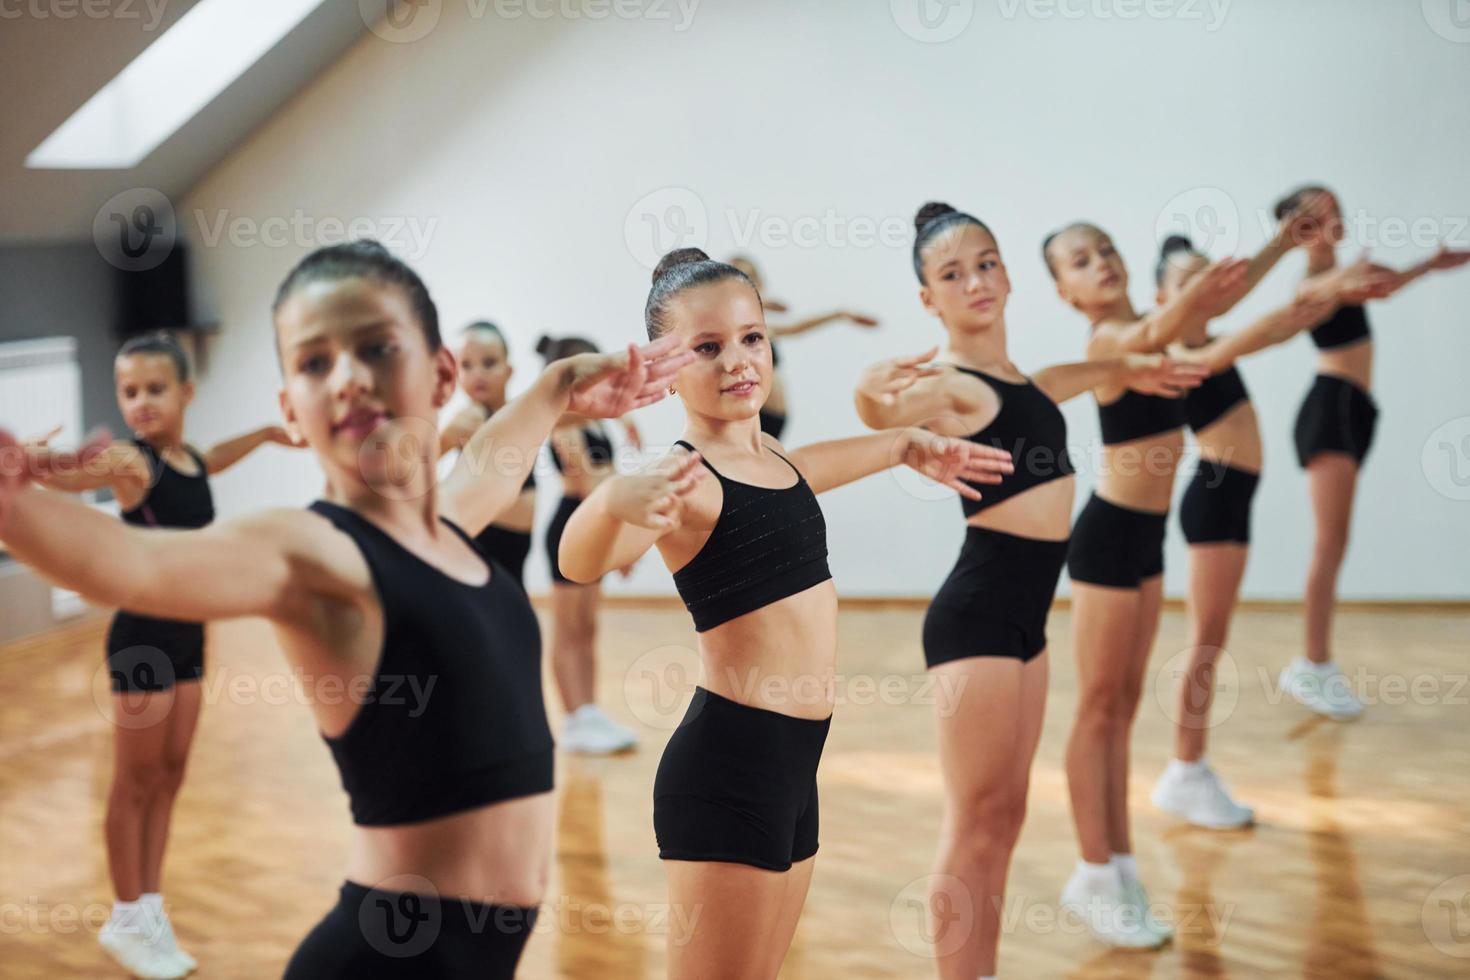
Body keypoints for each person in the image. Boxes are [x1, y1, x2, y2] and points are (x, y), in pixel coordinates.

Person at [0, 240, 692, 978]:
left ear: (442, 375)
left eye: (378, 347)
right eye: (313, 362)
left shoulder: (449, 527)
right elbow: (132, 563)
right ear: (290, 412)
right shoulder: (312, 552)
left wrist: (559, 386)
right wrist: (11, 502)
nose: (349, 379)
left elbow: (496, 458)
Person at [555, 246, 1014, 978]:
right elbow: (576, 563)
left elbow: (815, 470)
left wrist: (903, 444)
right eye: (707, 347)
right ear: (667, 365)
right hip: (728, 770)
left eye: (751, 338)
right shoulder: (684, 479)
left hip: (794, 769)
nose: (737, 360)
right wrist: (610, 500)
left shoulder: (774, 460)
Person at [853, 202, 1206, 978]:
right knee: (973, 820)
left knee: (1004, 820)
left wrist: (1127, 370)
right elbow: (891, 407)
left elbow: (1050, 386)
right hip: (975, 620)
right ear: (928, 300)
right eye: (952, 274)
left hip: (1024, 626)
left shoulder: (1010, 380)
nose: (975, 281)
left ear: (1008, 273)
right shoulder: (950, 384)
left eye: (986, 263)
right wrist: (873, 397)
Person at [22, 331, 295, 979]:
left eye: (154, 389)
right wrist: (36, 463)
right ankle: (124, 916)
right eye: (129, 391)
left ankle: (150, 907)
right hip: (142, 641)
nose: (140, 402)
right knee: (135, 780)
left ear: (186, 392)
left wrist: (265, 433)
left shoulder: (191, 458)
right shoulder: (132, 462)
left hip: (191, 636)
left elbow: (216, 457)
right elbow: (80, 470)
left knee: (170, 775)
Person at [1270, 185, 1470, 720]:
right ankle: (1312, 665)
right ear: (1294, 230)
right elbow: (1330, 296)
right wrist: (1352, 279)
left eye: (1333, 208)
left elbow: (1380, 284)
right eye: (1315, 213)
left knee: (1336, 543)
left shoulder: (1347, 273)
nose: (1331, 218)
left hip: (1354, 409)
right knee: (1329, 544)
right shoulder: (1311, 282)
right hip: (1329, 408)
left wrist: (1430, 264)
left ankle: (1315, 664)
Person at [538, 334, 645, 755]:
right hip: (573, 525)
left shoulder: (595, 418)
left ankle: (590, 711)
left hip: (595, 525)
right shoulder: (565, 422)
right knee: (568, 630)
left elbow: (611, 476)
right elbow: (589, 484)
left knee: (588, 627)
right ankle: (574, 719)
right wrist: (618, 535)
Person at [726, 255, 879, 438]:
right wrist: (761, 303)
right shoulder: (731, 330)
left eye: (750, 279)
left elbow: (796, 327)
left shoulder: (762, 328)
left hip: (776, 417)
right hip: (755, 417)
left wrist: (840, 314)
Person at [439, 320, 537, 590]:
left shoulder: (520, 412)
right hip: (481, 543)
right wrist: (444, 440)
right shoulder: (467, 420)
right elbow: (416, 465)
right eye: (466, 366)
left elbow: (564, 412)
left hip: (515, 547)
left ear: (509, 370)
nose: (477, 374)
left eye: (489, 362)